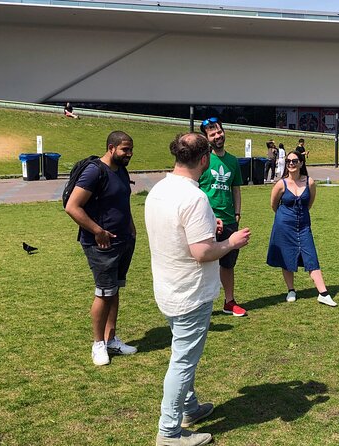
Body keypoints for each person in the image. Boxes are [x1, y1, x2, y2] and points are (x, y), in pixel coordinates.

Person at [146, 133, 251, 446]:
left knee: (184, 353)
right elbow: (202, 253)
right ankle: (169, 432)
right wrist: (230, 242)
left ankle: (189, 407)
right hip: (189, 293)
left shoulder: (160, 189)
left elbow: (180, 233)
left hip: (167, 289)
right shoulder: (194, 197)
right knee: (183, 361)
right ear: (204, 160)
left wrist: (210, 229)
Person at [65, 131, 136, 366]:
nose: (129, 154)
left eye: (131, 149)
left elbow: (121, 202)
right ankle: (98, 344)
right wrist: (98, 231)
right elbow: (72, 206)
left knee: (114, 290)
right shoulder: (95, 171)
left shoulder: (121, 170)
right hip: (101, 244)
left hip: (123, 240)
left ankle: (111, 339)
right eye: (125, 149)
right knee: (103, 293)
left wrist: (131, 228)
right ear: (111, 147)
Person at [267, 150, 337, 307]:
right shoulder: (281, 183)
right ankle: (291, 290)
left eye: (295, 161)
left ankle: (323, 293)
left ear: (301, 163)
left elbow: (309, 203)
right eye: (289, 161)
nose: (291, 163)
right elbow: (274, 205)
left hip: (304, 225)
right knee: (287, 257)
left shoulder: (309, 182)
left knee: (310, 255)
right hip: (284, 225)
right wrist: (284, 218)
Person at [198, 117, 247, 317]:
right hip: (204, 220)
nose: (217, 136)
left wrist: (236, 214)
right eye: (212, 134)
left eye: (219, 132)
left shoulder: (233, 160)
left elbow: (235, 189)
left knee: (228, 264)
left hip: (228, 220)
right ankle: (200, 305)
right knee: (202, 262)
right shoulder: (202, 160)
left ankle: (229, 301)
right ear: (206, 138)